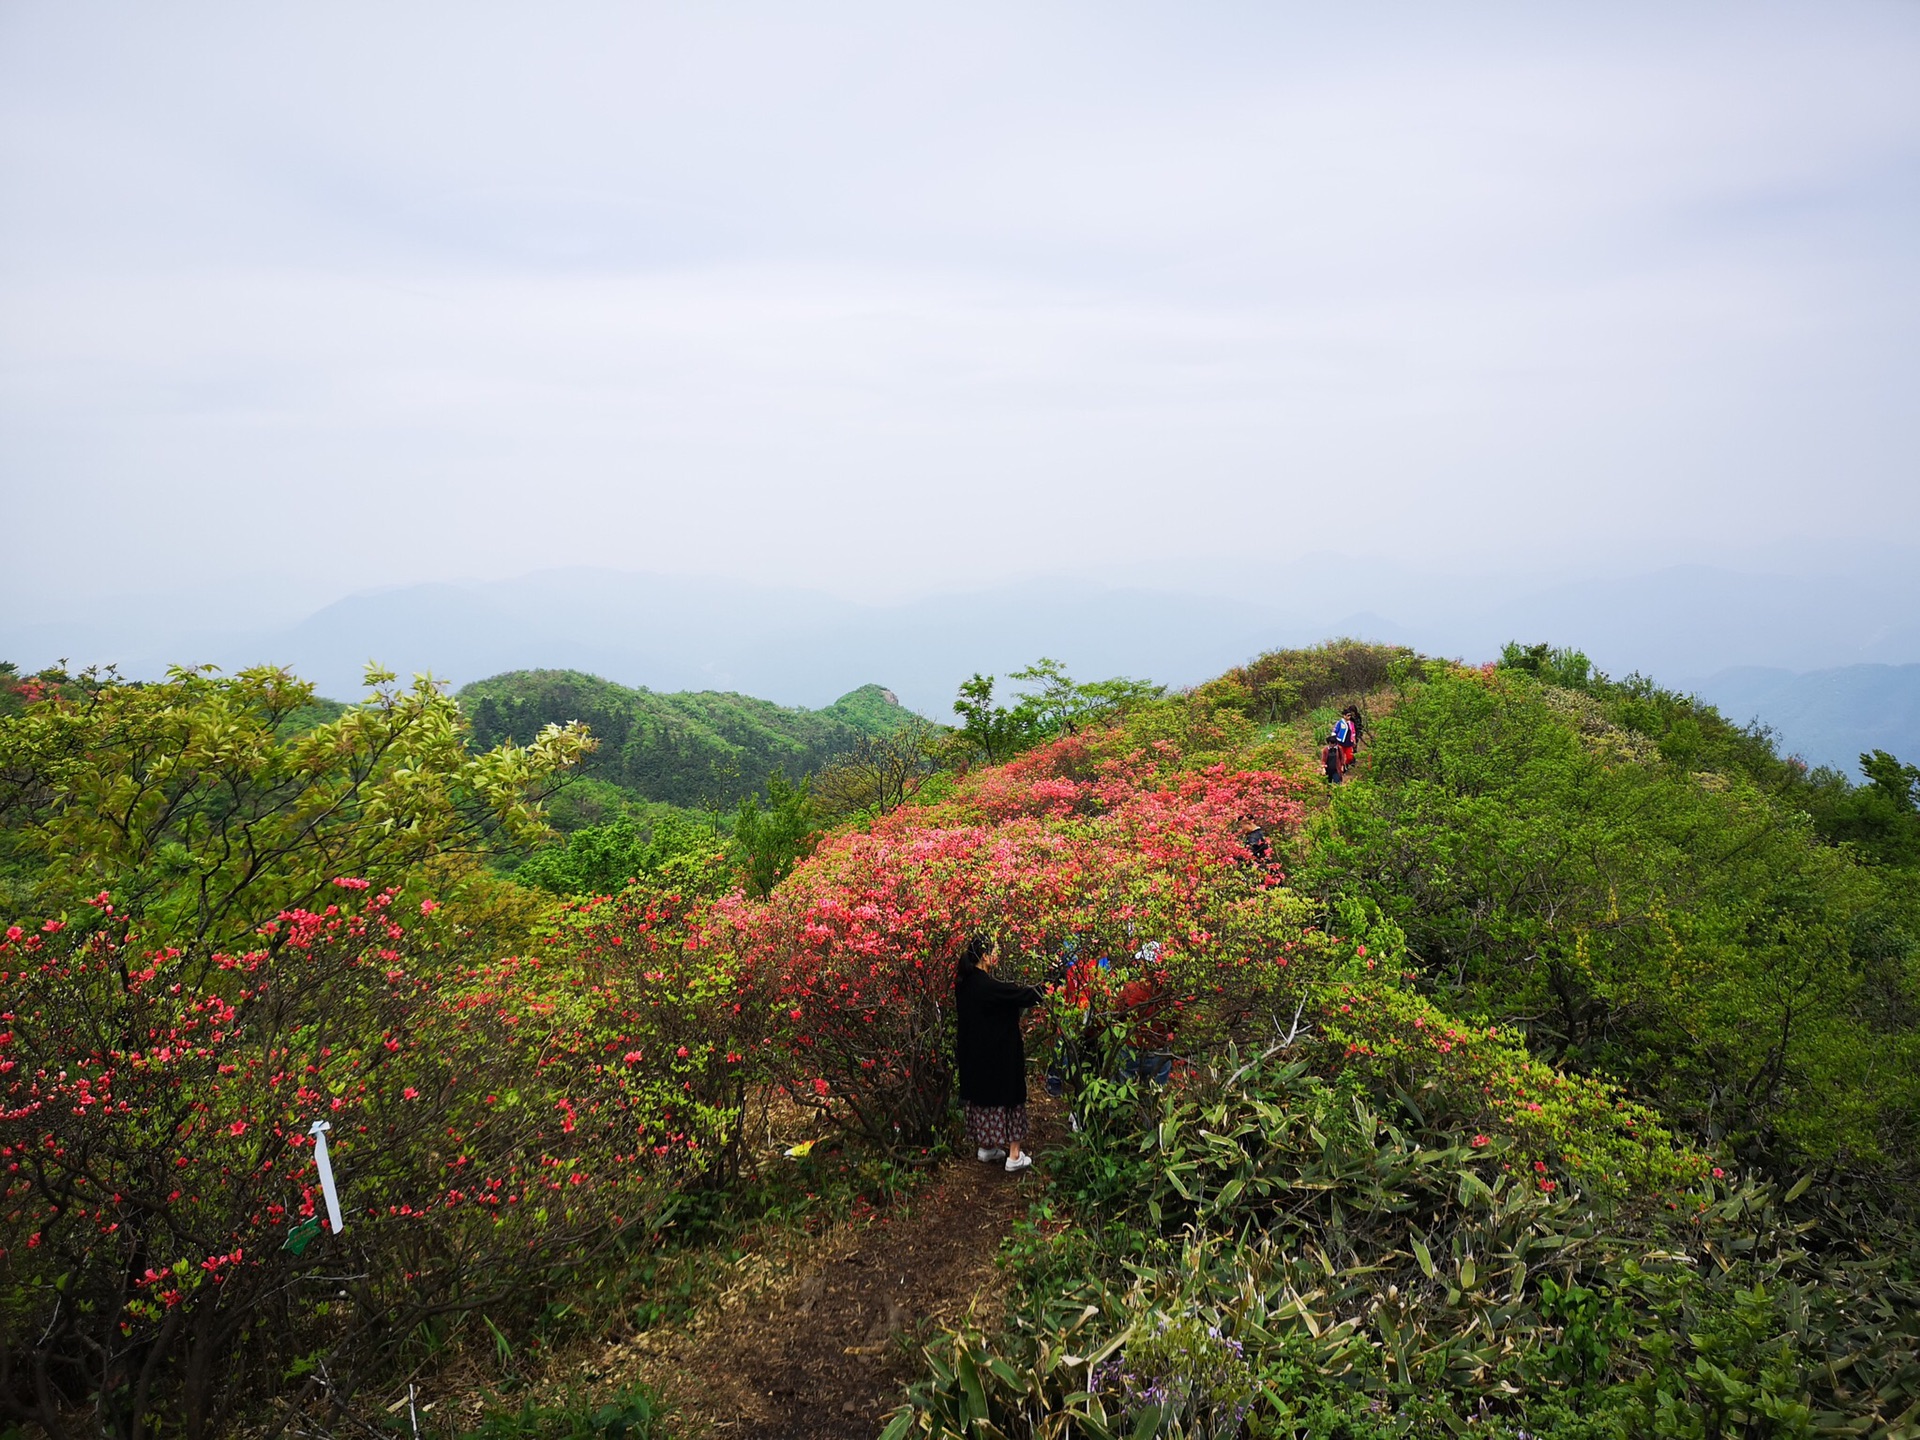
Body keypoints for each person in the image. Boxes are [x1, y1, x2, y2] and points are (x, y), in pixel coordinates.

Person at [954, 935, 1043, 1172]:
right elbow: (1020, 996)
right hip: (999, 1057)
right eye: (995, 950)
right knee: (1012, 1098)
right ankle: (1014, 1155)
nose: (998, 954)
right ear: (984, 956)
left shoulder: (965, 982)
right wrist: (1050, 984)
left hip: (975, 1058)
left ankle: (987, 1147)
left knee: (983, 1100)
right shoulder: (986, 986)